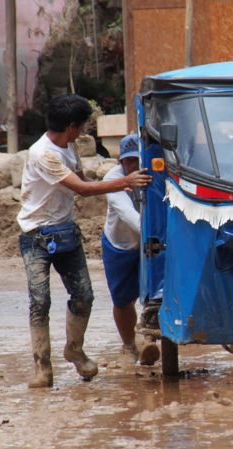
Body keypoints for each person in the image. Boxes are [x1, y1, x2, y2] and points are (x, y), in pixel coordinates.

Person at [17, 94, 152, 388]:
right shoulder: (42, 154)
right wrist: (124, 182)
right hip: (36, 235)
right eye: (82, 126)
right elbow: (82, 188)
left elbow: (82, 177)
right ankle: (42, 367)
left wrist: (110, 179)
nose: (83, 132)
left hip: (65, 231)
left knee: (84, 296)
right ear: (71, 126)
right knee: (40, 302)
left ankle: (74, 350)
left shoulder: (69, 145)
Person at [101, 133, 159, 366]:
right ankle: (128, 346)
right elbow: (130, 217)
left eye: (138, 160)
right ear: (121, 162)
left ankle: (149, 340)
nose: (134, 166)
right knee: (123, 301)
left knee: (156, 294)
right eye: (129, 161)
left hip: (150, 244)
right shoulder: (112, 182)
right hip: (121, 246)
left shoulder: (156, 175)